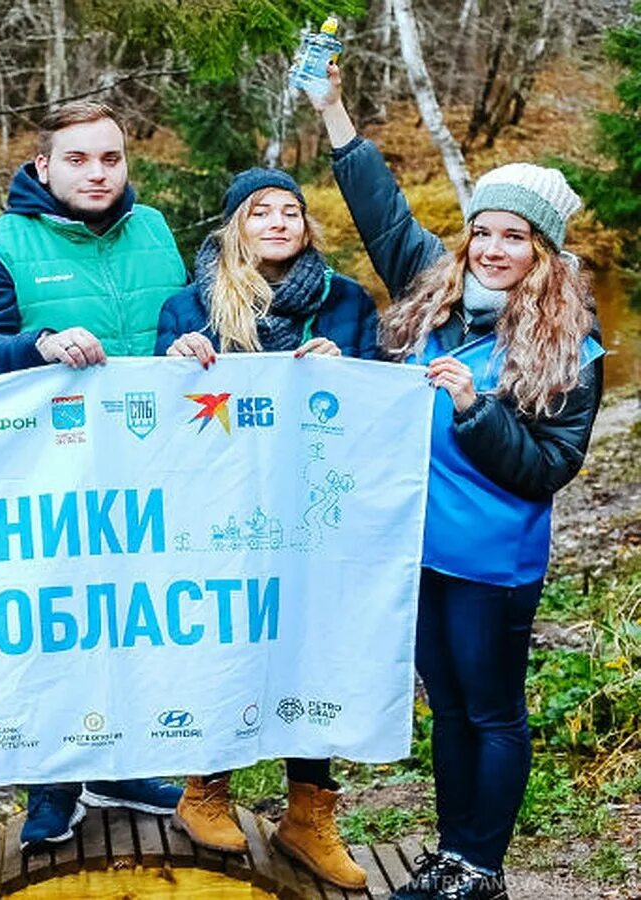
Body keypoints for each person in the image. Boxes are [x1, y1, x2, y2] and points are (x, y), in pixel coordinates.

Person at [311, 67, 602, 900]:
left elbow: (550, 468)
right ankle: (451, 855)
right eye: (484, 232)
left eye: (515, 237)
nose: (493, 250)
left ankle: (483, 864)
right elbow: (380, 212)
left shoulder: (569, 347)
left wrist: (476, 409)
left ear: (541, 249)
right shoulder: (433, 291)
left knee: (491, 711)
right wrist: (332, 109)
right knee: (446, 708)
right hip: (416, 548)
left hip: (491, 564)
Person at [0, 100, 187, 851]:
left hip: (153, 466)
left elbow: (189, 323)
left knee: (140, 618)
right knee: (60, 627)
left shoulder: (155, 232)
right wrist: (39, 344)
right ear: (44, 166)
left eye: (110, 158)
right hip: (49, 475)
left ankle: (126, 765)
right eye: (78, 159)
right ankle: (52, 784)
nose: (97, 172)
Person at [157, 167, 378, 892]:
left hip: (314, 504)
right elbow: (152, 414)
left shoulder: (346, 302)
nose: (279, 221)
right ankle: (205, 786)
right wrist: (173, 364)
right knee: (229, 634)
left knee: (312, 649)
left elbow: (378, 399)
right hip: (220, 509)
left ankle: (308, 815)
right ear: (235, 228)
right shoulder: (188, 305)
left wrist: (348, 371)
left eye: (292, 211)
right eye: (261, 212)